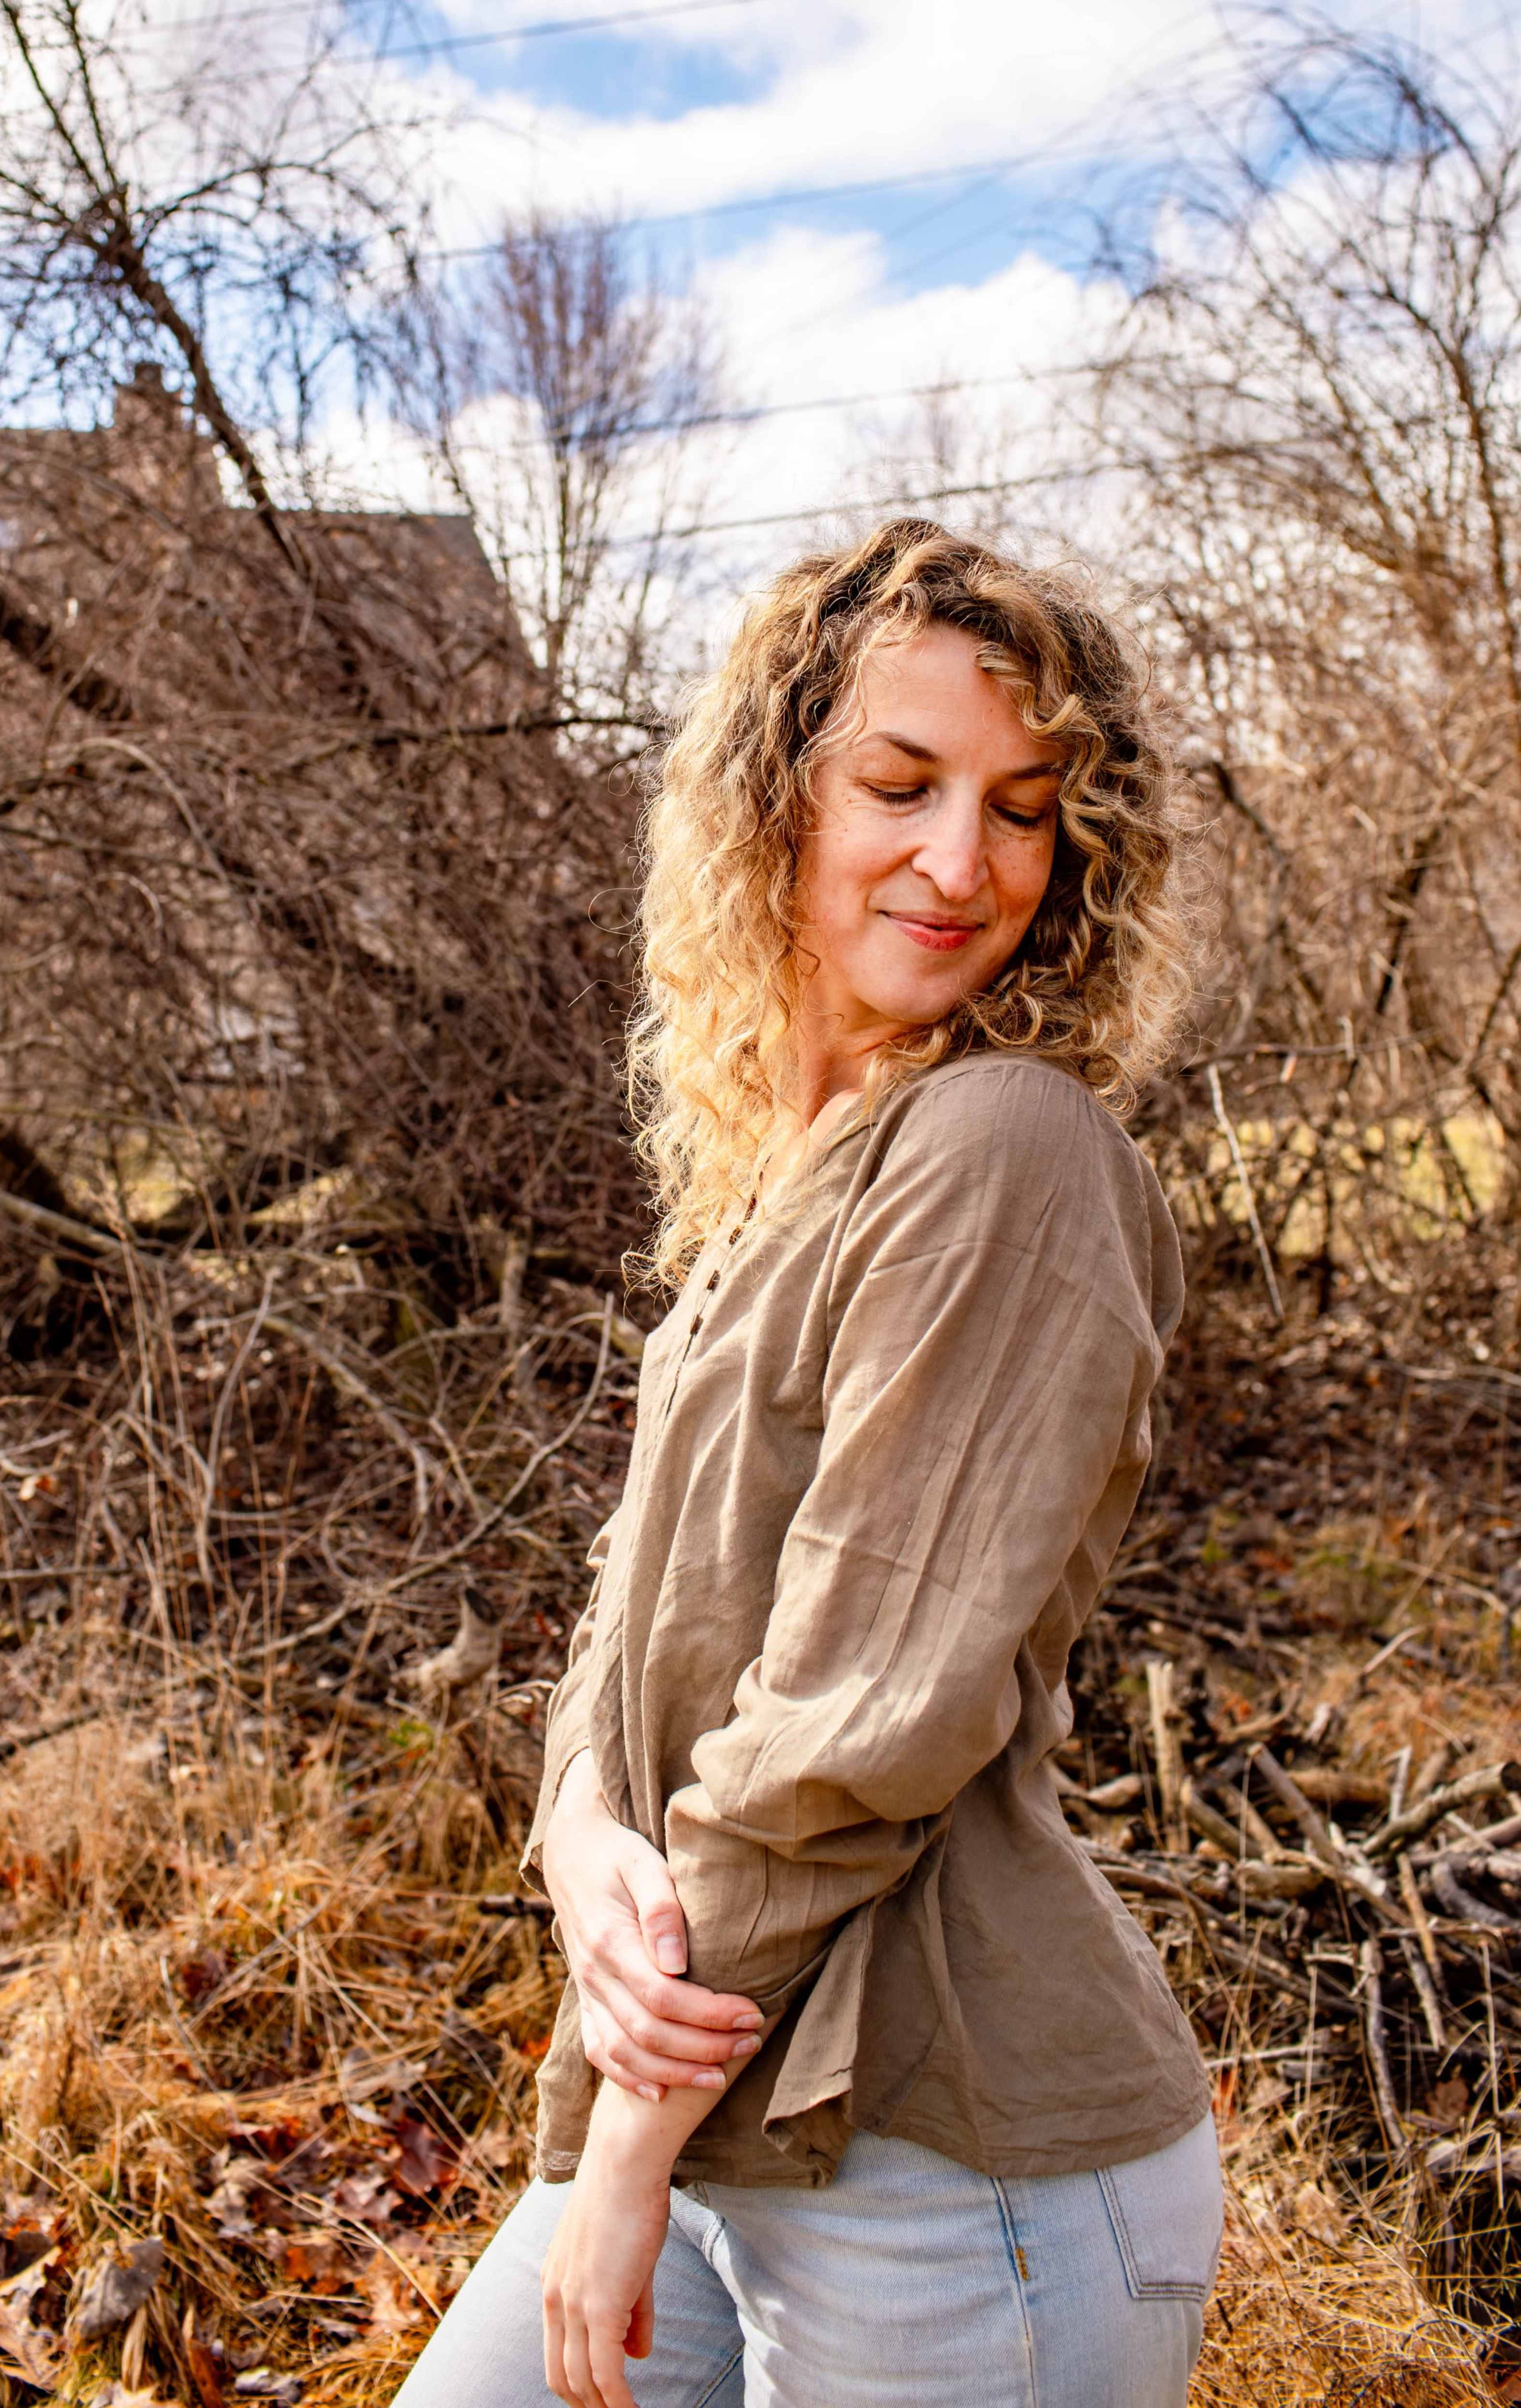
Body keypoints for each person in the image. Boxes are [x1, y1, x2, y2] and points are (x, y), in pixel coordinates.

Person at [394, 522, 1224, 2408]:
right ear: (775, 794)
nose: (964, 862)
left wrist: (617, 2139)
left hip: (959, 2177)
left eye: (1025, 808)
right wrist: (582, 1833)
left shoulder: (1007, 1149)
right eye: (902, 783)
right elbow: (638, 1643)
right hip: (716, 2092)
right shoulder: (784, 1188)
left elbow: (868, 1712)